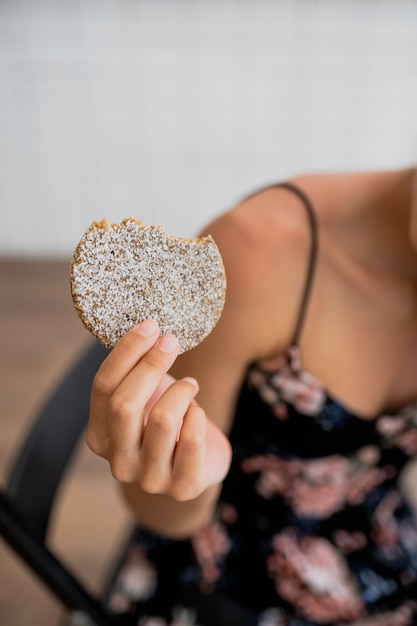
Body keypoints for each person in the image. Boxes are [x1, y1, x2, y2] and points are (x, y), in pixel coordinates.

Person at [87, 168, 417, 626]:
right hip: (225, 567)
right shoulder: (258, 256)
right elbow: (167, 514)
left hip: (382, 544)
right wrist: (178, 468)